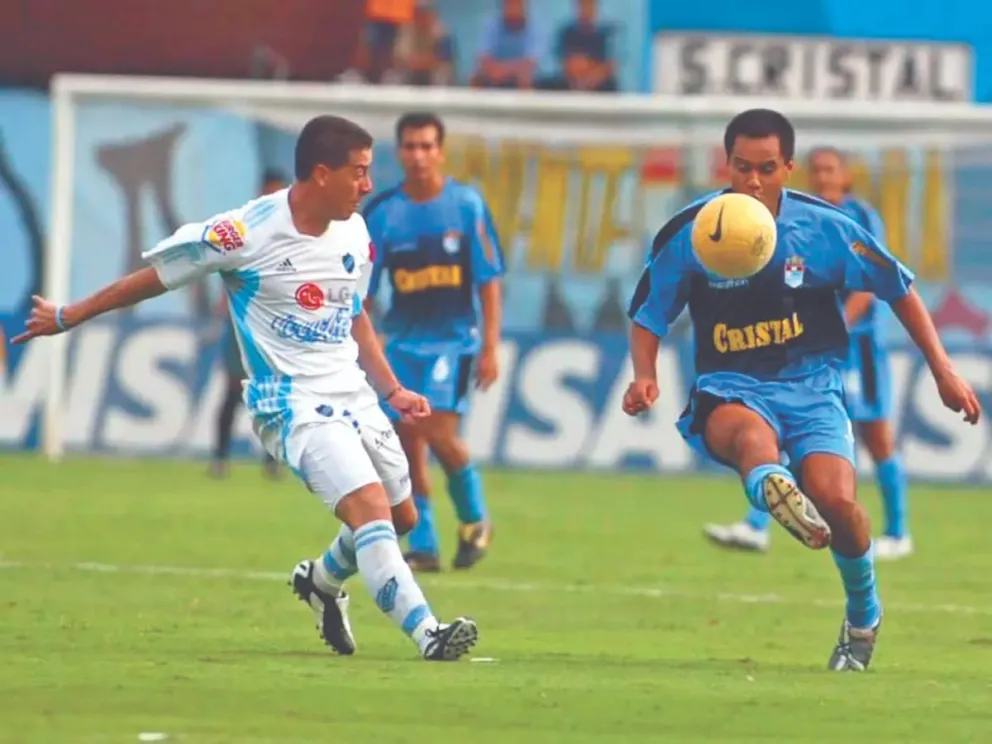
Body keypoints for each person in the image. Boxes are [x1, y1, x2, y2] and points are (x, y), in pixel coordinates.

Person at [12, 115, 480, 662]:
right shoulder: (244, 233)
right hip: (291, 403)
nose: (369, 185)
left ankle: (323, 583)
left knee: (403, 519)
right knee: (372, 512)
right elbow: (155, 278)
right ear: (322, 174)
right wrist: (69, 314)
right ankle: (429, 634)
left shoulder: (355, 229)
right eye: (360, 172)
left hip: (353, 392)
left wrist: (392, 389)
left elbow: (352, 313)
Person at [623, 108, 980, 671]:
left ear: (789, 167)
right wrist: (644, 374)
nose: (754, 181)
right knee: (750, 440)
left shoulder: (825, 227)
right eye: (742, 167)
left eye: (767, 167)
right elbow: (648, 313)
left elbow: (898, 287)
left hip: (812, 388)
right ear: (727, 164)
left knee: (843, 508)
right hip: (731, 385)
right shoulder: (694, 230)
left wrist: (942, 369)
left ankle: (862, 617)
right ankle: (772, 487)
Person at [703, 147, 913, 560]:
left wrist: (836, 328)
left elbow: (871, 285)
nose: (823, 176)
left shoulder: (862, 217)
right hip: (812, 349)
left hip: (859, 346)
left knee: (876, 435)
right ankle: (756, 525)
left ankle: (898, 532)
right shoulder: (801, 219)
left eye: (831, 168)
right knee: (787, 424)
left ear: (846, 175)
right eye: (816, 169)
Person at [363, 112, 503, 573]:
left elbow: (487, 279)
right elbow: (362, 287)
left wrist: (489, 347)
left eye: (427, 146)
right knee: (406, 443)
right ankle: (423, 544)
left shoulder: (466, 205)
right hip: (402, 344)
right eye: (410, 146)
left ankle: (474, 517)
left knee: (437, 432)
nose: (419, 155)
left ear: (441, 151)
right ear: (399, 152)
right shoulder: (383, 213)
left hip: (453, 342)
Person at [210, 169, 288, 479]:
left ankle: (273, 461)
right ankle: (220, 457)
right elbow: (225, 265)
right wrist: (223, 302)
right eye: (268, 191)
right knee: (232, 390)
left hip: (273, 325)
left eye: (277, 191)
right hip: (241, 322)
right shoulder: (245, 226)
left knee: (273, 392)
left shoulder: (289, 232)